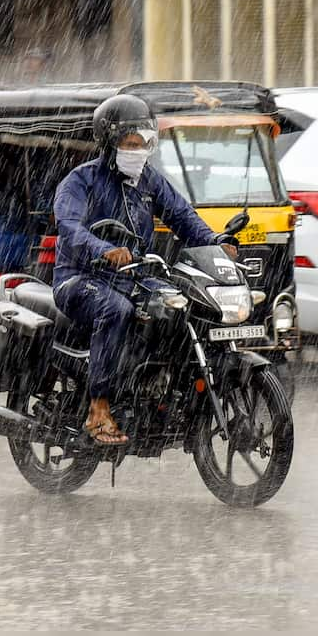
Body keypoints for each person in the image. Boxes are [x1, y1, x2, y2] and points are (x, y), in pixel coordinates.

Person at [52, 94, 237, 445]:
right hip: (80, 279)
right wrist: (103, 250)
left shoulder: (149, 181)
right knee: (116, 309)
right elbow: (69, 229)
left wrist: (215, 242)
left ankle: (159, 394)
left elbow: (183, 217)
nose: (139, 150)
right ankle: (99, 408)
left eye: (146, 142)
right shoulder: (81, 181)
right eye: (131, 143)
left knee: (178, 305)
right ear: (109, 142)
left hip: (134, 277)